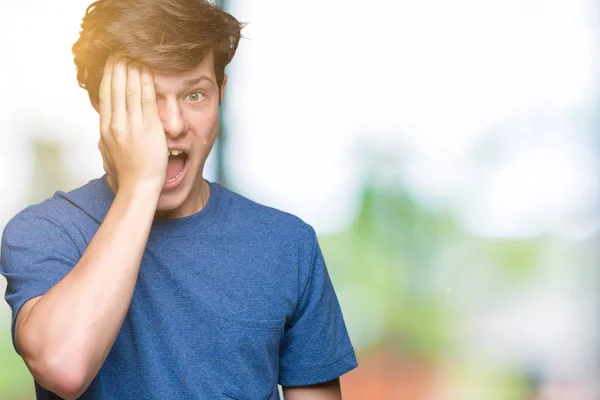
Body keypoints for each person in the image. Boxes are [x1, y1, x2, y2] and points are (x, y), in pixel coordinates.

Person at [0, 0, 358, 399]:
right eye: (147, 98)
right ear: (102, 103)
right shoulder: (46, 232)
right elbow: (63, 367)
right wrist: (139, 185)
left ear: (221, 92)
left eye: (194, 95)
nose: (173, 124)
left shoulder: (288, 245)